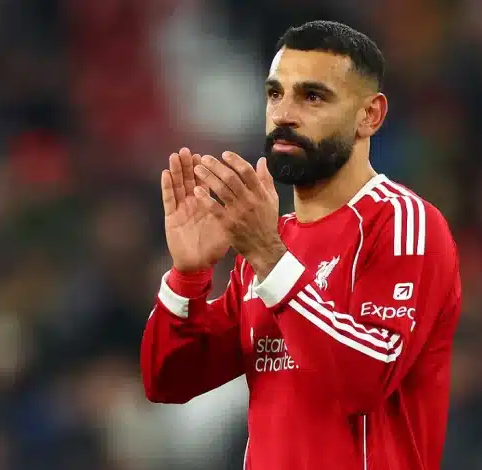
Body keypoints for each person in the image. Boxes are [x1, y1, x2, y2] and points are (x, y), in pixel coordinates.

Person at [140, 20, 461, 470]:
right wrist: (187, 278)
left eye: (313, 96)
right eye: (275, 94)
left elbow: (365, 380)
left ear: (369, 116)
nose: (283, 114)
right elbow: (168, 381)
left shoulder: (403, 225)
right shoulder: (267, 245)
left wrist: (270, 259)